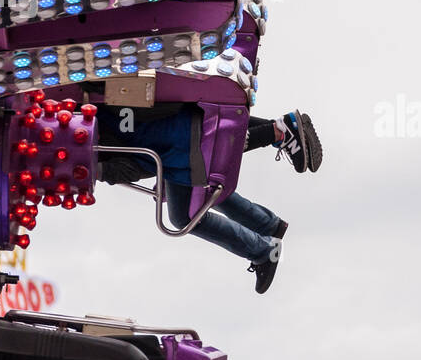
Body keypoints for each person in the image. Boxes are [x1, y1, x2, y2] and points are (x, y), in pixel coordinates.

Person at [96, 106, 322, 294]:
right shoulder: (96, 99)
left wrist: (98, 173)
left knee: (183, 217)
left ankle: (263, 250)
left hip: (179, 149)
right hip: (182, 121)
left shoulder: (90, 139)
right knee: (201, 184)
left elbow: (126, 165)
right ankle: (267, 224)